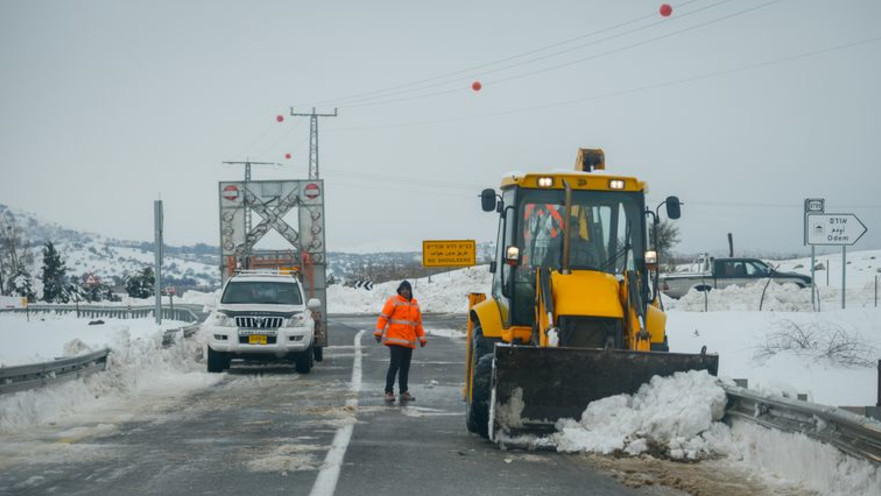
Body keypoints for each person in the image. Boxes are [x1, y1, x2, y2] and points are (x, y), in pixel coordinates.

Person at [374, 280, 427, 403]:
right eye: (403, 289)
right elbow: (383, 318)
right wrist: (378, 333)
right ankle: (389, 391)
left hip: (408, 342)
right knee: (394, 366)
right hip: (395, 341)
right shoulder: (394, 301)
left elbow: (418, 324)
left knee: (405, 368)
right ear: (399, 290)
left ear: (410, 291)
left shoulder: (414, 305)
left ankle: (403, 391)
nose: (405, 291)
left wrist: (422, 338)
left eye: (407, 289)